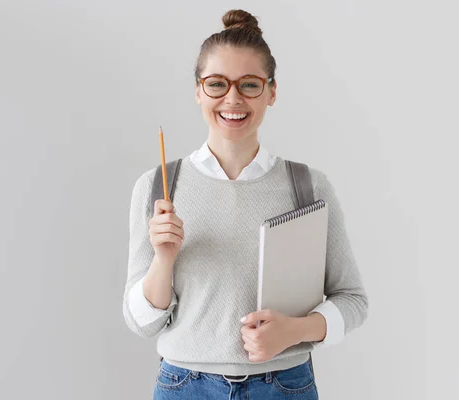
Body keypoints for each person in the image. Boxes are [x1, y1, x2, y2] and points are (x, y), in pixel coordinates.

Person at [122, 9, 368, 399]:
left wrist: (294, 331)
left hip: (284, 386)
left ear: (271, 91)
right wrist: (163, 258)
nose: (233, 99)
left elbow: (352, 300)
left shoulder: (308, 186)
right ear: (198, 90)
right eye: (217, 84)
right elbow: (141, 322)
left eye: (249, 84)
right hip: (185, 387)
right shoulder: (159, 186)